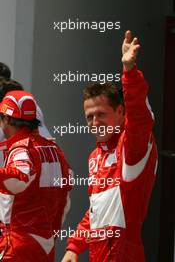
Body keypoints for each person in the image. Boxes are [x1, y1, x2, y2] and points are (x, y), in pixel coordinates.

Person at [61, 30, 158, 262]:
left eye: (101, 114)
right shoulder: (95, 156)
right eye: (89, 117)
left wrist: (130, 73)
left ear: (120, 112)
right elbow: (97, 210)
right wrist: (74, 246)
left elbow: (141, 118)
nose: (95, 122)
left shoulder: (132, 147)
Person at [0, 90, 72, 261]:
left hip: (18, 245)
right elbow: (64, 201)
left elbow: (19, 177)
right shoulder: (56, 151)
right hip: (46, 245)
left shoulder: (21, 148)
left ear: (8, 119)